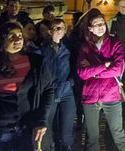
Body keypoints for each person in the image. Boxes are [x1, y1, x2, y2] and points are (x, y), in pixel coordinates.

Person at [0, 21, 55, 151]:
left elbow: (48, 89)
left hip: (26, 130)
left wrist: (42, 120)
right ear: (1, 41)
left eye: (20, 36)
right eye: (11, 37)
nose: (18, 40)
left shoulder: (36, 63)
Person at [77, 8, 125, 151]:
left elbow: (117, 69)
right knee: (92, 138)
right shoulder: (85, 47)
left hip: (111, 94)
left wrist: (94, 72)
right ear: (90, 28)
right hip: (90, 96)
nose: (101, 26)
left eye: (103, 23)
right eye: (97, 24)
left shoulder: (115, 43)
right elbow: (82, 73)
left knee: (118, 134)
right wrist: (104, 65)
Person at [40, 18, 76, 151]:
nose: (58, 30)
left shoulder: (70, 47)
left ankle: (67, 146)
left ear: (65, 30)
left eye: (61, 28)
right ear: (50, 31)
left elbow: (75, 67)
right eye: (55, 28)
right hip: (50, 91)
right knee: (48, 127)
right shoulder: (43, 48)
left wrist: (69, 82)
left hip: (66, 90)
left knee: (67, 128)